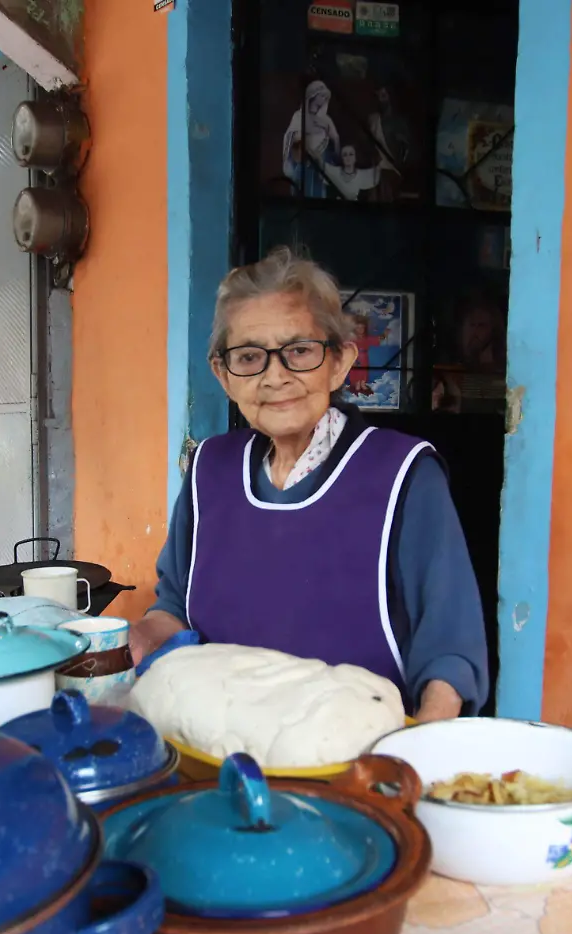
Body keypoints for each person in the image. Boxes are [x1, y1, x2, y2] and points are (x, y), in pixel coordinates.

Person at [131, 248, 490, 721]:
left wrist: (411, 758)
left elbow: (450, 648)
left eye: (299, 351)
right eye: (249, 357)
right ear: (223, 375)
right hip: (215, 746)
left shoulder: (403, 474)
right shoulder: (209, 470)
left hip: (358, 758)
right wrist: (135, 649)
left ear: (339, 362)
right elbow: (173, 603)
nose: (274, 376)